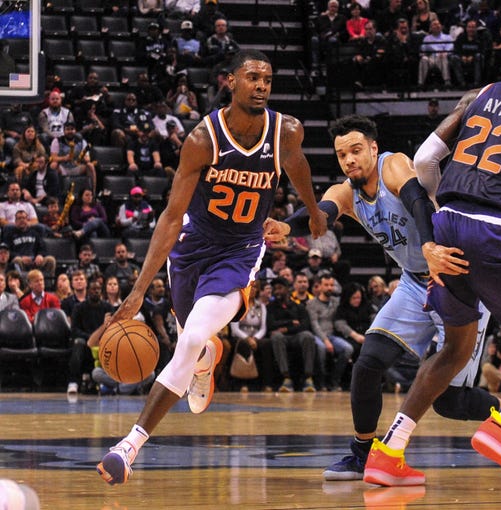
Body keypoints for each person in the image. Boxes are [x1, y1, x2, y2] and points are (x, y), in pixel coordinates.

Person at [95, 49, 327, 485]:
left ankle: (128, 447)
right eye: (252, 77)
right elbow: (170, 216)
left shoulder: (286, 133)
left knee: (193, 335)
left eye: (268, 80)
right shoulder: (204, 140)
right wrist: (140, 289)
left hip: (239, 252)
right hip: (191, 248)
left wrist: (312, 212)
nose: (261, 86)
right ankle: (205, 358)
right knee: (191, 340)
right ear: (231, 82)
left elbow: (297, 166)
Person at [366, 30, 501, 487]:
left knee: (455, 348)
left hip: (444, 227)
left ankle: (387, 452)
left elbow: (425, 158)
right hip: (492, 231)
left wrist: (438, 216)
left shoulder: (480, 94)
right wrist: (493, 244)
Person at [284, 115, 501, 482]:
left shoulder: (394, 164)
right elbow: (318, 216)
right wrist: (284, 227)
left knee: (450, 403)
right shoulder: (345, 192)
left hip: (458, 280)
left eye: (356, 150)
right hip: (413, 283)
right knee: (368, 362)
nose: (350, 160)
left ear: (373, 148)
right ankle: (362, 453)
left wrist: (429, 245)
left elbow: (418, 201)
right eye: (342, 155)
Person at [267, 276, 318, 392]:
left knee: (308, 336)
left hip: (296, 336)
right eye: (275, 289)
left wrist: (285, 329)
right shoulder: (270, 307)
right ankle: (286, 378)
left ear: (287, 289)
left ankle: (308, 378)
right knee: (276, 336)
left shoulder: (298, 306)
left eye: (280, 288)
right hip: (282, 338)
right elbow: (270, 325)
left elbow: (305, 325)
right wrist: (290, 323)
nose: (277, 292)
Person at [306, 273, 354, 391]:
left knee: (348, 348)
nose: (329, 288)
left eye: (331, 285)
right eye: (326, 285)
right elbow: (314, 324)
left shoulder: (336, 302)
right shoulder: (311, 303)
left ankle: (334, 381)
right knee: (321, 348)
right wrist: (325, 340)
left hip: (333, 335)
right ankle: (321, 382)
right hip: (318, 335)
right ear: (320, 286)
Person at [5, 210, 57, 278]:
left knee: (50, 260)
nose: (22, 220)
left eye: (24, 218)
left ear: (27, 220)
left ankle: (49, 284)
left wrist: (40, 255)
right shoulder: (10, 235)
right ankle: (22, 284)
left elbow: (42, 247)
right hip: (21, 262)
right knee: (17, 260)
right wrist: (21, 257)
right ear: (15, 221)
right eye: (19, 218)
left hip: (35, 261)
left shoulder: (34, 233)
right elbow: (8, 252)